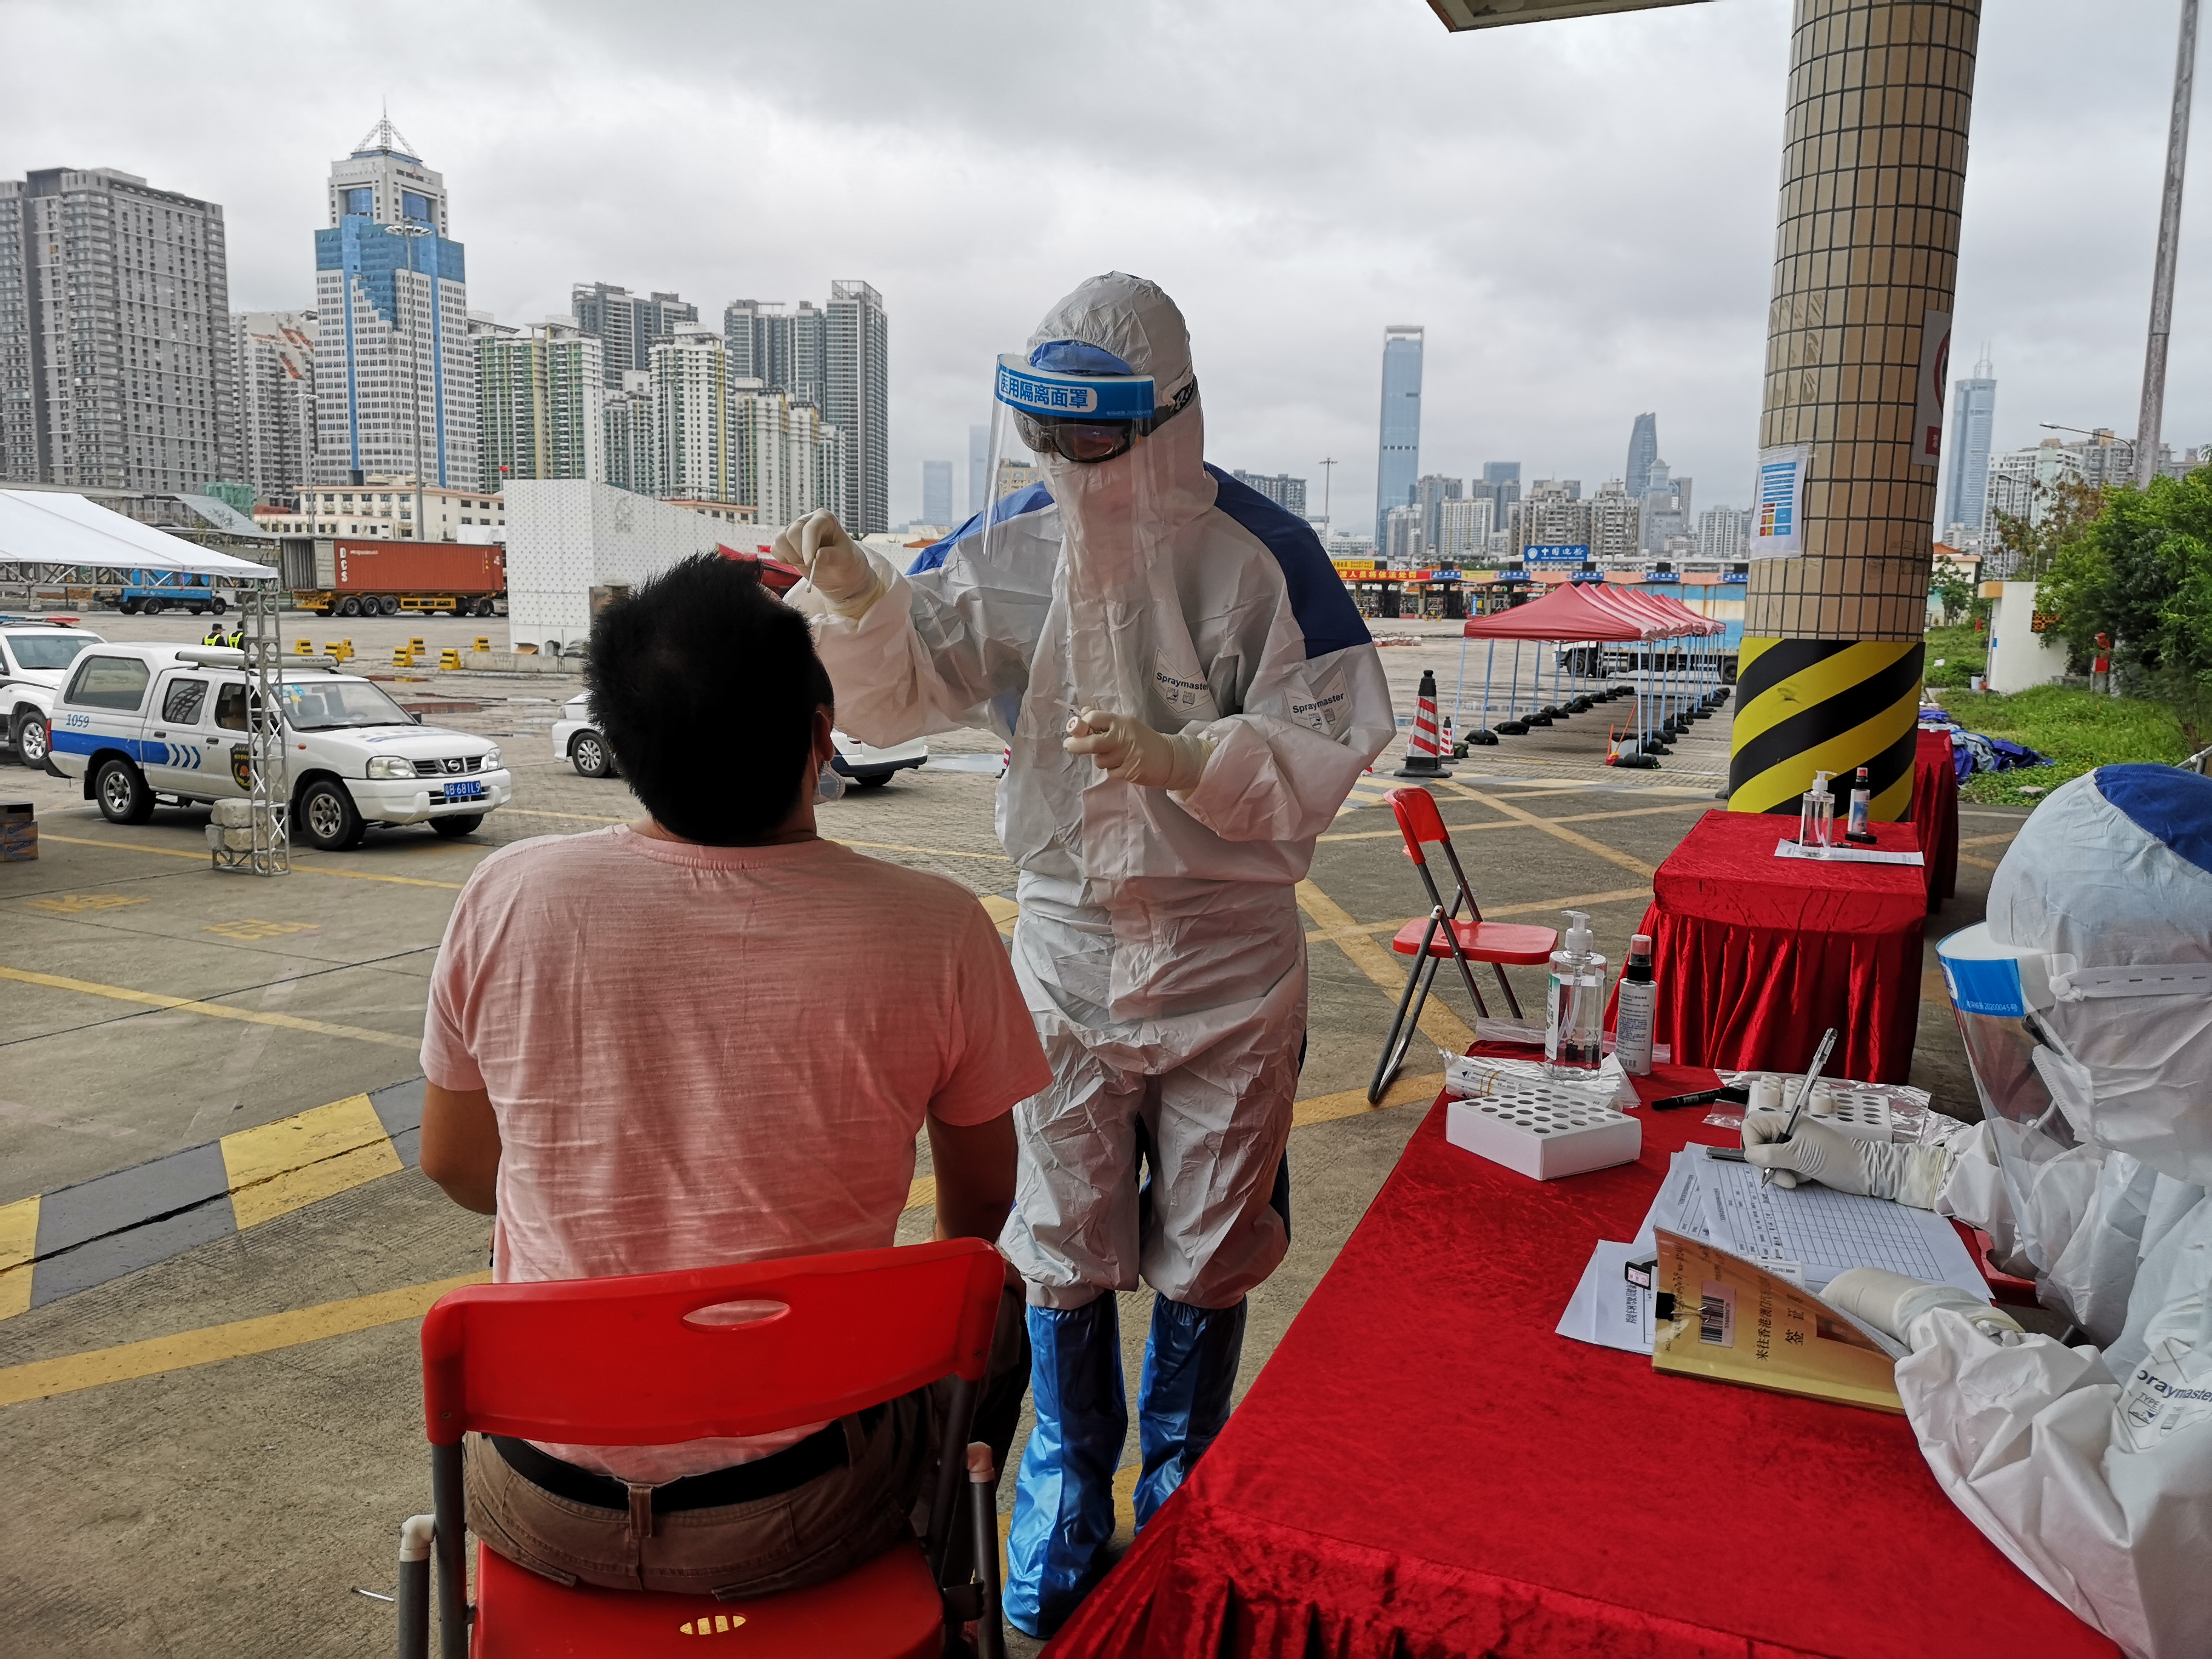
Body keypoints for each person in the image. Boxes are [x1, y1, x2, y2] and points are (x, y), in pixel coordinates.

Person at [780, 272, 1395, 1635]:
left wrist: (1190, 760)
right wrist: (860, 601)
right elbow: (905, 688)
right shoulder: (1008, 543)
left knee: (1213, 1240)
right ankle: (1064, 1499)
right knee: (1057, 1236)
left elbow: (1333, 738)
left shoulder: (1261, 553)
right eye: (1044, 431)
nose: (1065, 458)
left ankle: (1184, 1502)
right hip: (1065, 944)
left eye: (1093, 434)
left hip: (1228, 956)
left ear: (1166, 418)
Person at [416, 554, 1051, 1600]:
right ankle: (941, 1579)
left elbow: (455, 1165)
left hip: (543, 1499)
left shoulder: (508, 896)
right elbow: (982, 1204)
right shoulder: (939, 928)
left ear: (622, 746)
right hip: (808, 1504)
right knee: (1002, 1312)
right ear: (821, 737)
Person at [1743, 765, 2212, 1659]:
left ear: (2179, 1010)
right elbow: (2101, 1214)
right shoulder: (2194, 1109)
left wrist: (1957, 1340)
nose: (2051, 1058)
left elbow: (2144, 1546)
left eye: (2060, 1027)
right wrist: (1898, 1165)